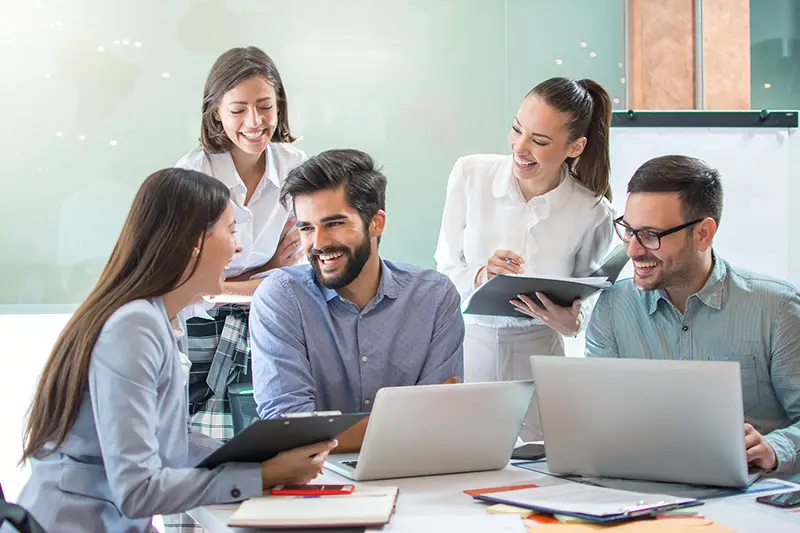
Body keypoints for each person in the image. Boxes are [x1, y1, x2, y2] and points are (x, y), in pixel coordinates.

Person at [12, 168, 336, 533]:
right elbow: (137, 491)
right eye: (231, 231)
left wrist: (260, 456)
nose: (238, 247)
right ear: (195, 241)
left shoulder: (162, 320)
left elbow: (174, 441)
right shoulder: (133, 327)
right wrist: (260, 475)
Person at [585, 155, 800, 477]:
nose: (633, 250)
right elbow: (595, 414)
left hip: (751, 500)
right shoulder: (614, 306)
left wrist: (774, 448)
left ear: (703, 234)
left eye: (651, 235)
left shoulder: (778, 308)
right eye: (629, 231)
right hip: (640, 487)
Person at [434, 77, 615, 440]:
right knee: (462, 462)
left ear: (576, 147)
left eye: (540, 141)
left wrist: (571, 322)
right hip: (467, 345)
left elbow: (589, 304)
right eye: (517, 129)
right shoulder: (471, 174)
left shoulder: (593, 211)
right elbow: (444, 271)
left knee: (545, 469)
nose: (520, 147)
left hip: (540, 354)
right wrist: (483, 274)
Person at [250, 149, 465, 452]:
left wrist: (324, 432)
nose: (318, 243)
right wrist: (409, 423)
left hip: (414, 476)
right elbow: (288, 430)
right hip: (314, 484)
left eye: (335, 224)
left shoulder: (434, 296)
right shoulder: (281, 297)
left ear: (376, 223)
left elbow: (440, 422)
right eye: (307, 228)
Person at [174, 46, 307, 446]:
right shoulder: (195, 174)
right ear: (215, 112)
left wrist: (230, 282)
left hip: (265, 325)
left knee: (261, 448)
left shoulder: (295, 166)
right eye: (238, 110)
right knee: (193, 454)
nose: (255, 122)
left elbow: (295, 272)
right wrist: (257, 278)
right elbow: (186, 282)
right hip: (196, 328)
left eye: (266, 106)